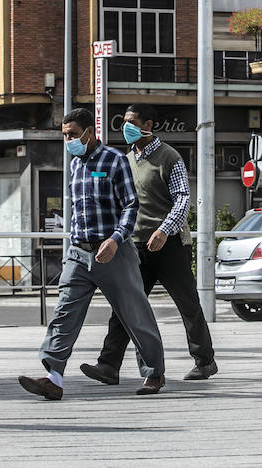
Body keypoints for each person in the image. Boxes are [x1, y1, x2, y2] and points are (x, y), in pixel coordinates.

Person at [19, 108, 166, 399]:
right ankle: (54, 377)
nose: (69, 141)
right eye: (64, 136)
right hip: (79, 252)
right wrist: (72, 247)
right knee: (65, 312)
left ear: (89, 132)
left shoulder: (114, 161)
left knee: (134, 313)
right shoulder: (75, 165)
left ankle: (154, 374)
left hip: (114, 251)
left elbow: (130, 207)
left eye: (73, 134)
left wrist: (114, 240)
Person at [81, 103, 217, 385]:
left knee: (187, 303)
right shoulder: (127, 159)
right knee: (125, 305)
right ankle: (108, 365)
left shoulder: (170, 157)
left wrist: (165, 230)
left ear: (149, 125)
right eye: (125, 121)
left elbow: (182, 199)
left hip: (169, 245)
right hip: (136, 246)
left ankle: (204, 361)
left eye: (132, 121)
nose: (126, 127)